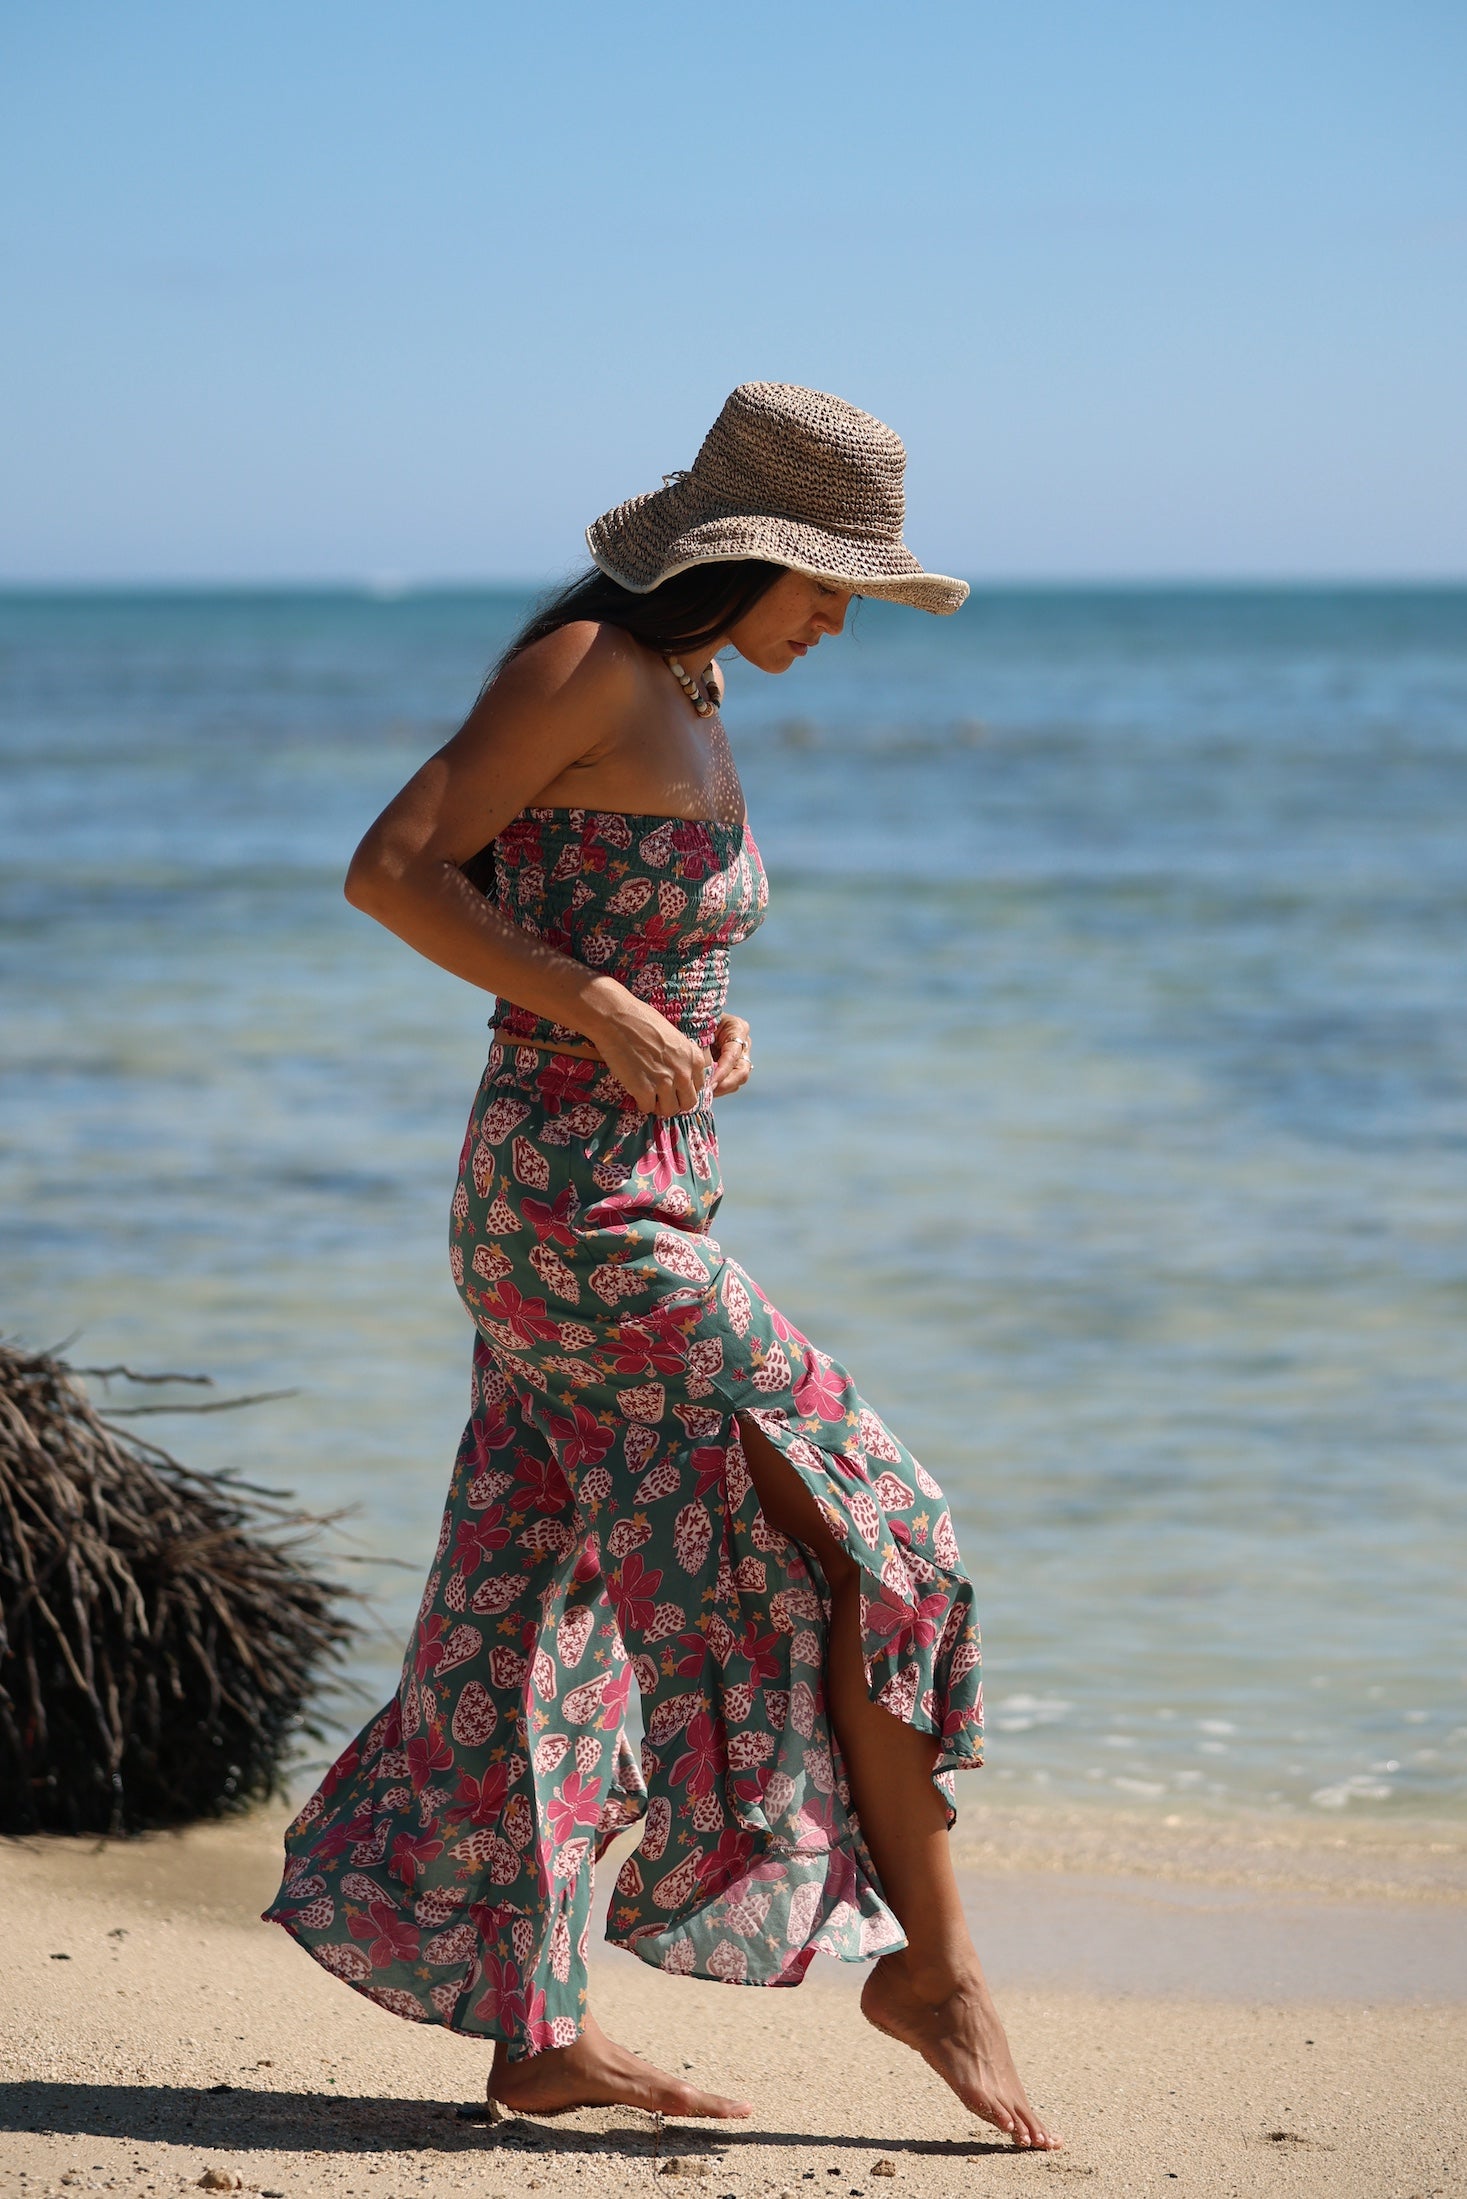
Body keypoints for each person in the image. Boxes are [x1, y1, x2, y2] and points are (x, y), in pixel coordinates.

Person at [265, 382, 1060, 2151]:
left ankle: (536, 2032)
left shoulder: (688, 689)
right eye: (831, 584)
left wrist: (695, 1021)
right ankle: (934, 1970)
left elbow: (601, 918)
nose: (842, 619)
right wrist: (602, 1004)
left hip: (626, 1191)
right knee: (889, 1532)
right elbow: (391, 870)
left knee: (527, 1604)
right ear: (748, 555)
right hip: (579, 1220)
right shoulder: (584, 674)